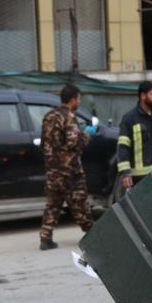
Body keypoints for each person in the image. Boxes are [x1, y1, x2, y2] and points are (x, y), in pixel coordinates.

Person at [39, 84, 94, 250]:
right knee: (80, 202)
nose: (79, 102)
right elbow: (73, 143)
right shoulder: (69, 117)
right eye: (78, 99)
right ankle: (93, 233)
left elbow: (44, 143)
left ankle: (45, 237)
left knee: (53, 204)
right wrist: (86, 136)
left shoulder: (49, 116)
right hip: (70, 170)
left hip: (52, 169)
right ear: (73, 99)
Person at [116, 81, 152, 190]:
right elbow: (123, 147)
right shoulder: (129, 119)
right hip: (139, 178)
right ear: (143, 96)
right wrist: (125, 173)